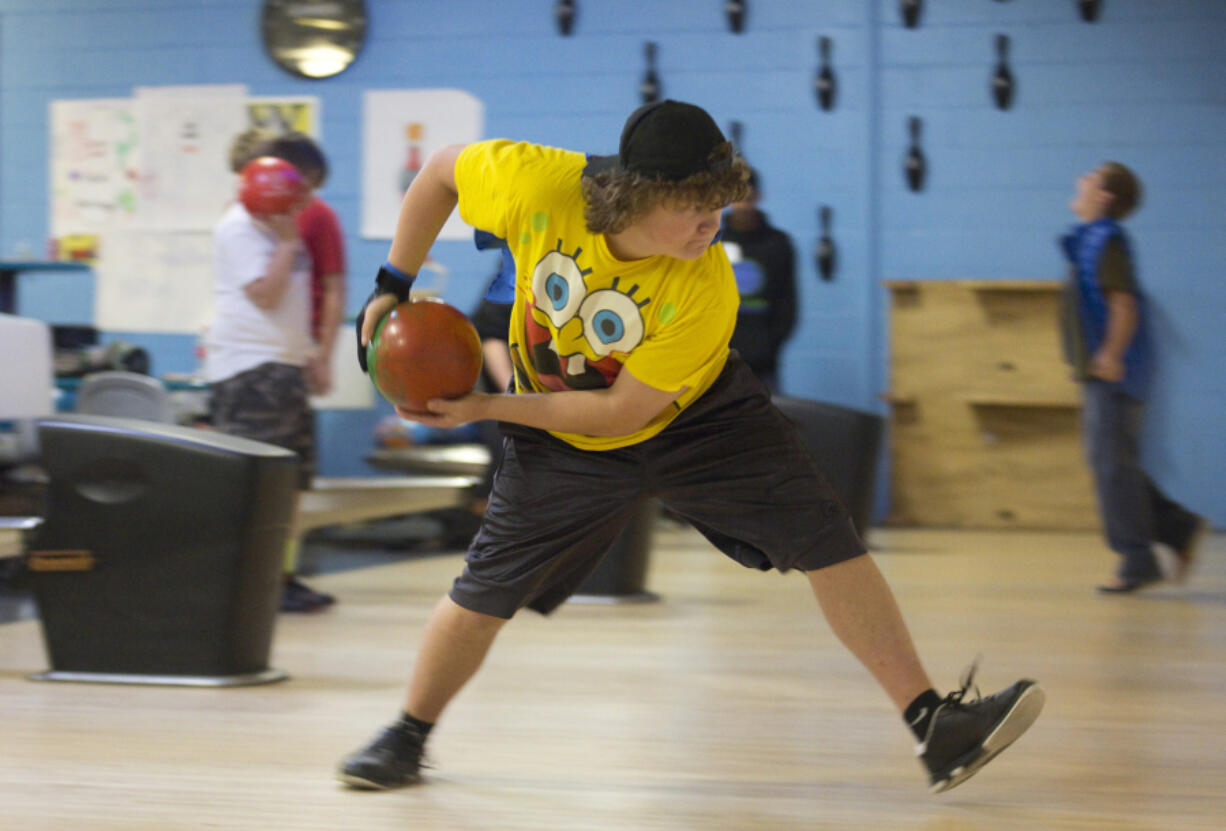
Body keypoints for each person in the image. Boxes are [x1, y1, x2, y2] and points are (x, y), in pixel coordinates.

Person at [337, 100, 1044, 794]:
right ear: (636, 193)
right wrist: (390, 283)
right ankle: (406, 734)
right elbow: (437, 173)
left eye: (721, 206)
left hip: (703, 421)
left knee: (829, 540)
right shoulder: (536, 183)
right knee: (483, 589)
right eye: (695, 208)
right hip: (560, 438)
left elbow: (621, 411)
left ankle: (933, 724)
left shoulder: (707, 286)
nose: (713, 225)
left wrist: (487, 407)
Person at [1060, 162, 1208, 593]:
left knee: (1111, 465)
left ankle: (1138, 558)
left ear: (1104, 196)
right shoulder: (1092, 241)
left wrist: (1110, 354)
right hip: (1104, 372)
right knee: (1113, 463)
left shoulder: (1105, 241)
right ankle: (1177, 529)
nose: (1080, 181)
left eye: (1088, 178)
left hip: (1116, 374)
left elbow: (1124, 305)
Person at [209, 138, 331, 613]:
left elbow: (294, 307)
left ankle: (279, 575)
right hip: (250, 371)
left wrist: (311, 355)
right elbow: (265, 294)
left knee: (291, 484)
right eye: (301, 191)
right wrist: (286, 243)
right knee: (258, 485)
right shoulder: (239, 229)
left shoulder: (280, 229)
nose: (308, 201)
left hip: (282, 368)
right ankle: (246, 580)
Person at [720, 167, 797, 391]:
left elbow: (788, 303)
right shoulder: (711, 244)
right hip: (718, 361)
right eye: (737, 198)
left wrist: (768, 345)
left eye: (748, 197)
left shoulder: (778, 244)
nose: (743, 205)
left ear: (758, 198)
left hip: (763, 365)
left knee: (766, 423)